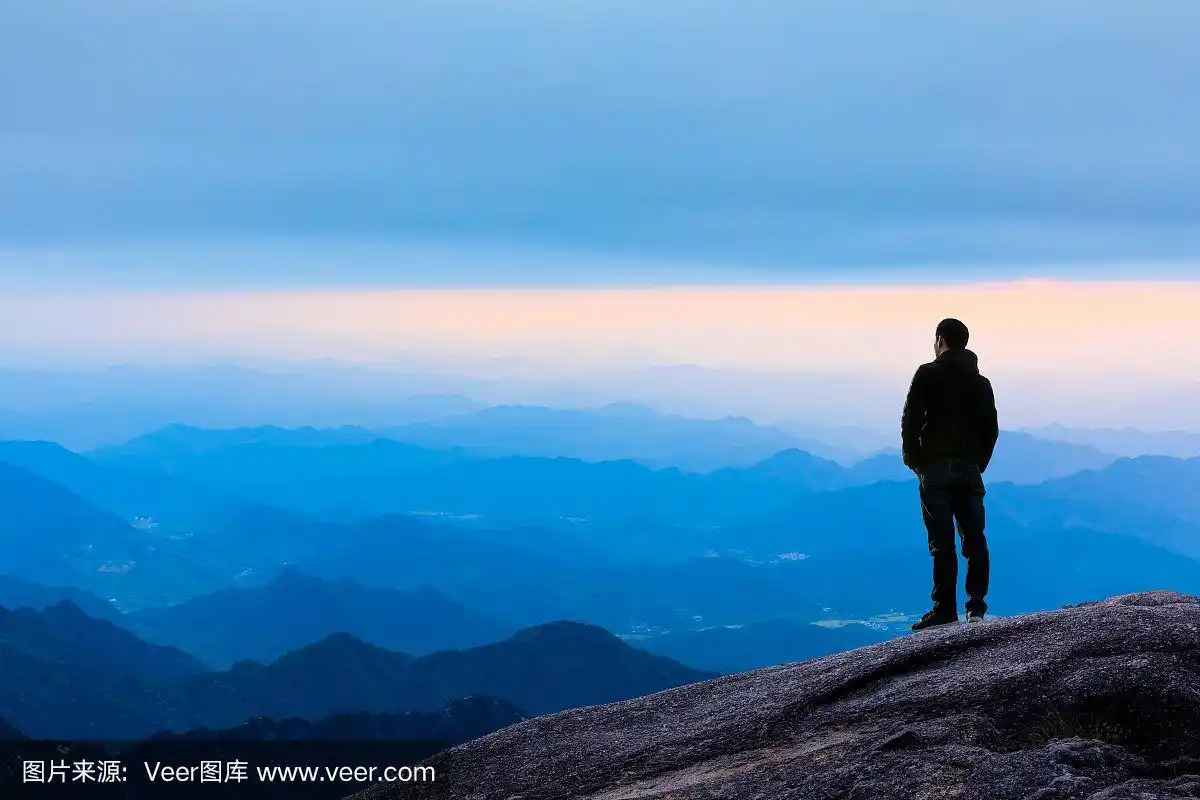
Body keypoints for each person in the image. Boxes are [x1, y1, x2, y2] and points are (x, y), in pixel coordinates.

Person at [901, 318, 999, 632]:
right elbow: (991, 429)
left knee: (941, 543)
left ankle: (944, 610)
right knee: (975, 540)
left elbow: (910, 421)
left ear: (940, 340)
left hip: (935, 469)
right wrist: (978, 463)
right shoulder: (980, 382)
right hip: (969, 468)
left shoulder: (927, 374)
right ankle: (976, 609)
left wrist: (915, 461)